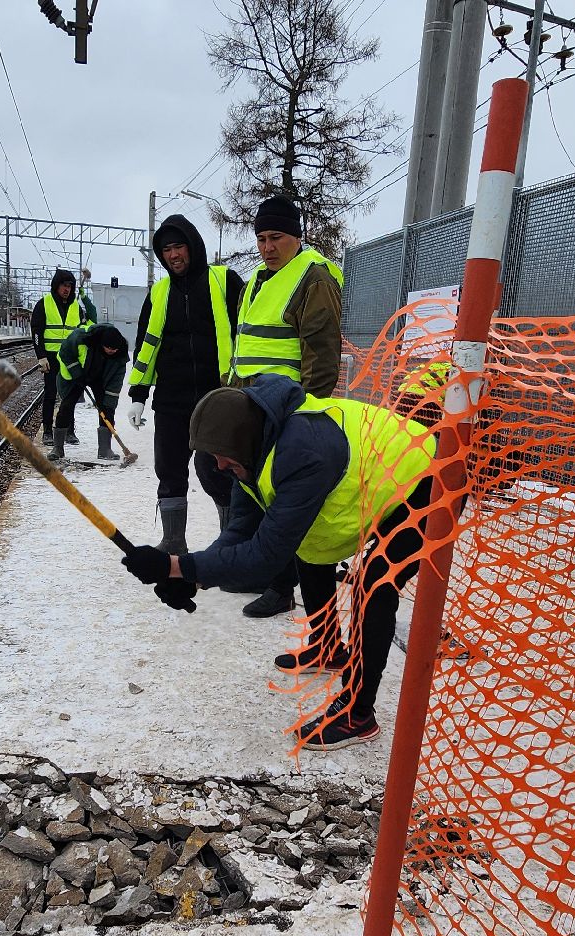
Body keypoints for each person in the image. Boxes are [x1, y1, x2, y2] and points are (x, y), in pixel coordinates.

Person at [118, 375, 437, 751]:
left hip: (427, 479)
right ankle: (328, 648)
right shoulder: (253, 444)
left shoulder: (302, 451)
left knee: (375, 582)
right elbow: (239, 531)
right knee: (312, 550)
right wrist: (193, 577)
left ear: (241, 441)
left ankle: (358, 714)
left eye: (222, 455)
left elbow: (265, 559)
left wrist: (175, 567)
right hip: (383, 476)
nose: (219, 465)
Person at [227, 194, 347, 620]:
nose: (267, 246)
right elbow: (245, 348)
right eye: (260, 238)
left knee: (278, 503)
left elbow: (322, 355)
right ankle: (259, 571)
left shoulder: (312, 278)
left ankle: (280, 587)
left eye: (276, 237)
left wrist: (306, 417)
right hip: (251, 410)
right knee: (249, 494)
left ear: (296, 236)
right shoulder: (258, 278)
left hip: (285, 414)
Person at [127, 214, 245, 553]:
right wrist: (138, 394)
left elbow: (248, 334)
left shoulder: (225, 281)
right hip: (171, 400)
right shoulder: (159, 293)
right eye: (166, 249)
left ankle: (231, 539)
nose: (174, 254)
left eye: (179, 246)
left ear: (192, 246)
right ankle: (173, 540)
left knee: (218, 470)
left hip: (217, 398)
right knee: (169, 470)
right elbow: (146, 346)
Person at [30, 269, 98, 441]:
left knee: (70, 395)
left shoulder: (76, 306)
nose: (66, 289)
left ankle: (69, 430)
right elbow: (37, 332)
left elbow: (86, 326)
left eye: (70, 286)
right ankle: (47, 431)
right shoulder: (44, 304)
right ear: (56, 285)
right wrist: (41, 356)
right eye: (63, 285)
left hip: (68, 357)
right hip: (51, 357)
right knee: (51, 393)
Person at [51, 323, 130, 462]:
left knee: (107, 410)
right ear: (101, 344)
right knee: (66, 407)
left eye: (114, 349)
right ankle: (57, 448)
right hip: (78, 374)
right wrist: (76, 372)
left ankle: (105, 449)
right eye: (109, 348)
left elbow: (115, 382)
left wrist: (109, 404)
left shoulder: (120, 355)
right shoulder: (81, 337)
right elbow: (65, 352)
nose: (112, 351)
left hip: (99, 379)